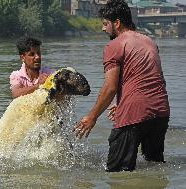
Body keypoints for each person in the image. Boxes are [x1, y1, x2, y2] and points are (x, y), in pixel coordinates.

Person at [73, 0, 170, 172]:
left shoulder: (114, 45)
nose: (103, 29)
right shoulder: (149, 41)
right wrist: (121, 102)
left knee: (116, 171)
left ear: (116, 23)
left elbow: (110, 88)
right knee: (154, 166)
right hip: (160, 111)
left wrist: (92, 117)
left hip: (135, 113)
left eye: (105, 24)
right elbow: (151, 78)